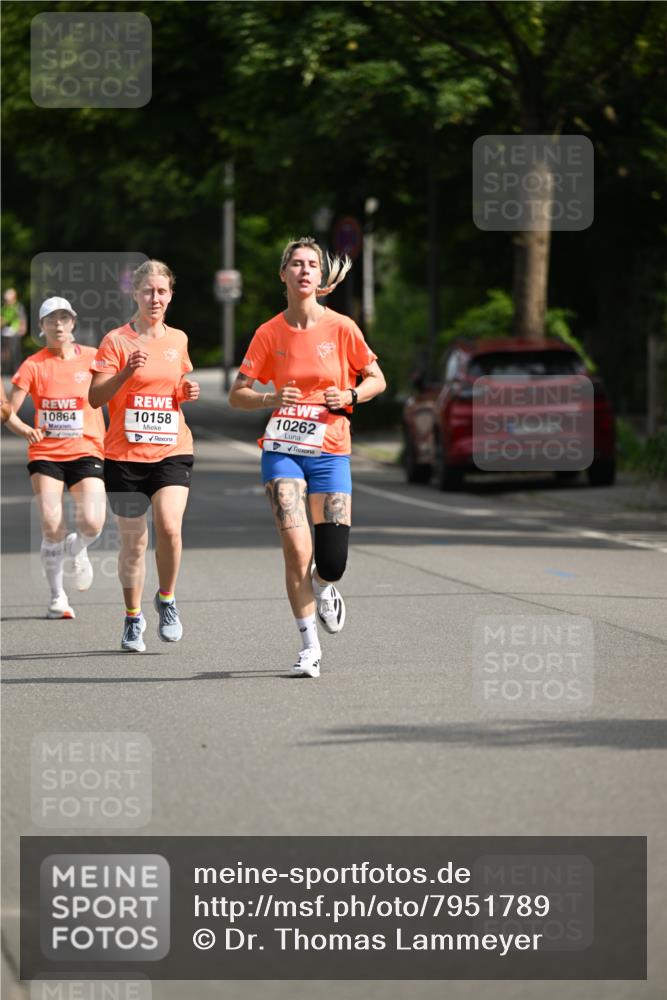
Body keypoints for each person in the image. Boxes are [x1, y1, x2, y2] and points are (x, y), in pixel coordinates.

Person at [229, 236, 386, 678]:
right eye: (296, 264)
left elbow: (377, 379)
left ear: (320, 277)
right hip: (282, 450)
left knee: (331, 561)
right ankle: (309, 648)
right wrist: (270, 398)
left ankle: (324, 586)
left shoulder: (342, 327)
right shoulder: (269, 332)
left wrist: (351, 394)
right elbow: (237, 394)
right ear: (283, 275)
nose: (304, 271)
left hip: (331, 450)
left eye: (311, 265)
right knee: (296, 550)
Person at [89, 259, 199, 652]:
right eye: (148, 291)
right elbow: (95, 397)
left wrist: (185, 392)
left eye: (162, 291)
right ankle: (133, 617)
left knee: (169, 526)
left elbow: (175, 385)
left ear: (171, 295)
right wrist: (125, 373)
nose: (155, 297)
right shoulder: (116, 341)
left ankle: (166, 599)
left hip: (172, 449)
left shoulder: (178, 339)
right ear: (134, 294)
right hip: (124, 456)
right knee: (134, 543)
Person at [7, 297, 106, 619]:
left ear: (73, 322)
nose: (58, 324)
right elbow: (8, 410)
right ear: (41, 326)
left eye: (64, 318)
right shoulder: (33, 365)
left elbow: (119, 390)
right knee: (52, 526)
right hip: (46, 453)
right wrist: (25, 429)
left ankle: (78, 548)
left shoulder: (93, 358)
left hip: (87, 449)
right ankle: (57, 596)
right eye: (51, 319)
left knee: (93, 522)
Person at [1, 288, 27, 375]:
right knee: (4, 353)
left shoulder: (18, 307)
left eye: (8, 300)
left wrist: (23, 328)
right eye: (5, 300)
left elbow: (22, 319)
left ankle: (17, 371)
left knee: (15, 353)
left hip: (15, 333)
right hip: (4, 333)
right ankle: (4, 371)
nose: (6, 302)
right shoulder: (4, 308)